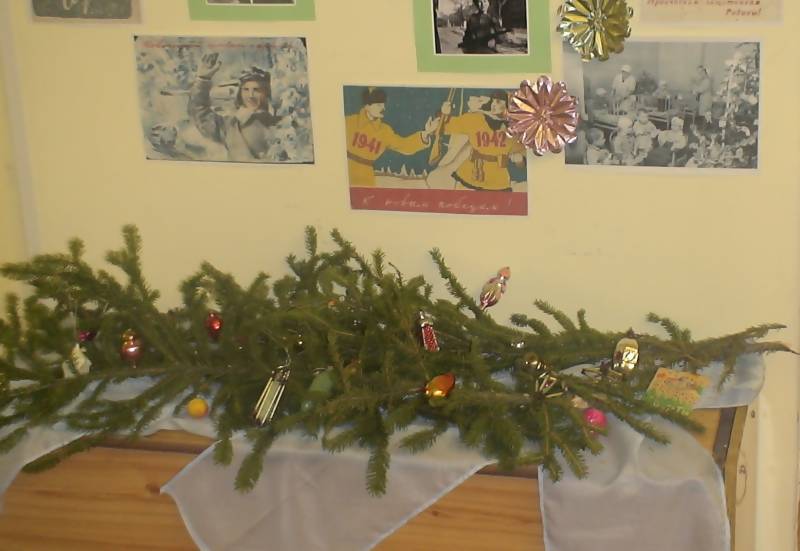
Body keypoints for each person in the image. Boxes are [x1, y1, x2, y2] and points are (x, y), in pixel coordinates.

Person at [188, 53, 280, 162]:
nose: (250, 95)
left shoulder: (282, 124)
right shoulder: (230, 126)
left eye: (256, 90)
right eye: (246, 90)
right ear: (240, 93)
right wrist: (203, 80)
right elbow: (200, 113)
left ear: (266, 93)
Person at [345, 88, 439, 187]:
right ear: (367, 106)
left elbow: (405, 145)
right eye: (379, 105)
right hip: (345, 172)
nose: (383, 108)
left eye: (383, 104)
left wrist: (426, 133)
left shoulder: (385, 131)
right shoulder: (349, 121)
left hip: (366, 179)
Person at [439, 91, 525, 191]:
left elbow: (523, 159)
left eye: (498, 102)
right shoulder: (475, 119)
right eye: (492, 101)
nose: (493, 104)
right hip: (469, 175)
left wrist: (520, 160)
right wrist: (444, 113)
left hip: (497, 181)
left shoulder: (515, 129)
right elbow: (445, 127)